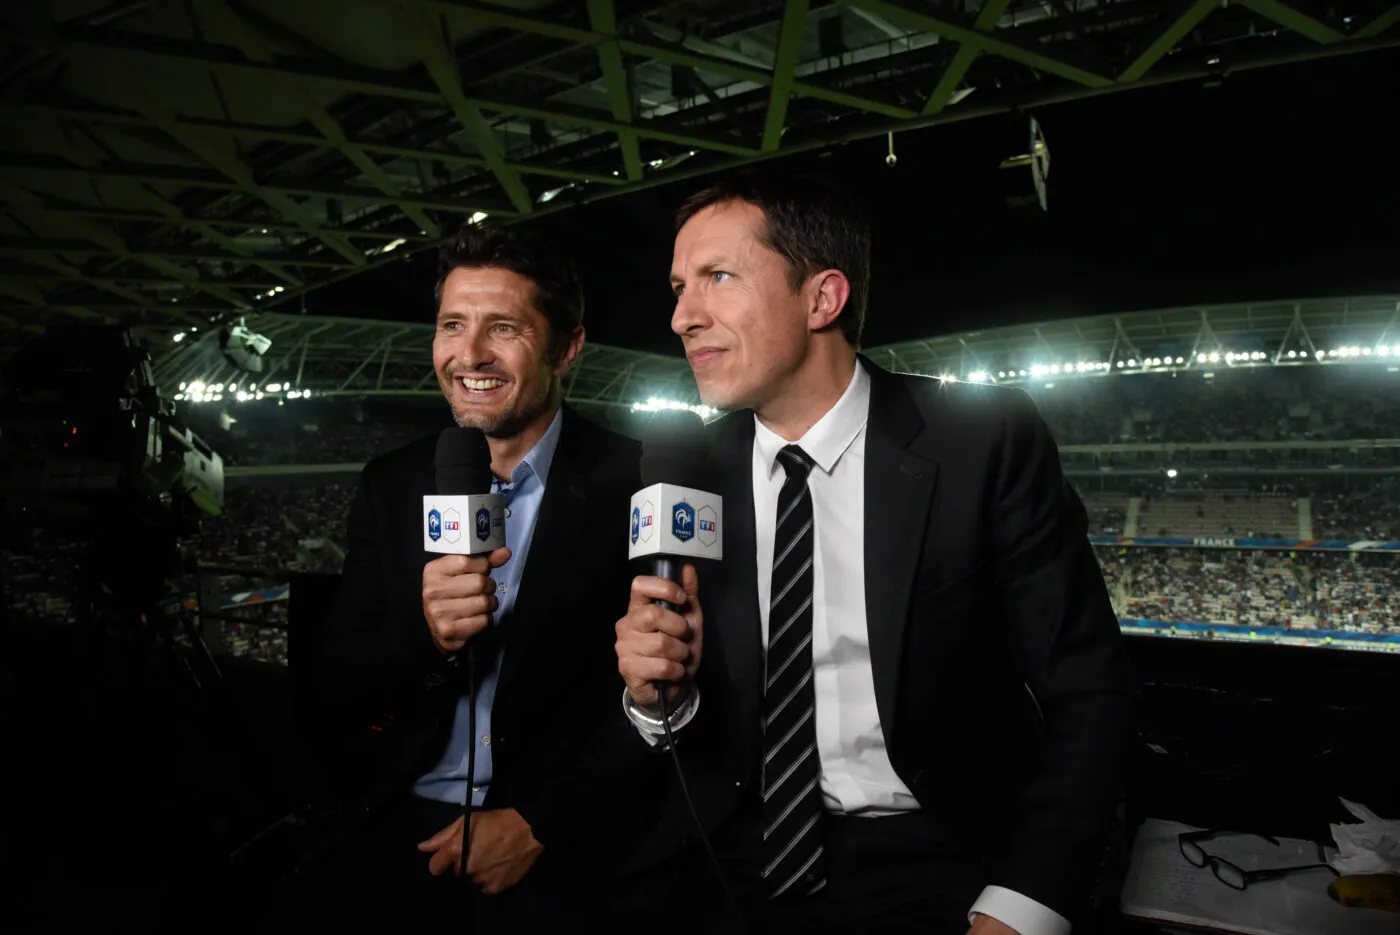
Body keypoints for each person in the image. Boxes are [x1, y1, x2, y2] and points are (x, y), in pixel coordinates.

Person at [613, 170, 1137, 934]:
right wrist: (655, 692)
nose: (681, 316)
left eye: (717, 278)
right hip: (731, 855)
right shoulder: (686, 472)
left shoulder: (980, 443)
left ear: (822, 298)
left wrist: (1026, 903)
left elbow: (1089, 689)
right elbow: (676, 726)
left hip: (942, 855)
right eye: (678, 286)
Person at [268, 225, 644, 931]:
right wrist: (427, 634)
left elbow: (666, 705)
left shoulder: (638, 481)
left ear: (567, 347)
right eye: (452, 325)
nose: (469, 356)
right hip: (401, 819)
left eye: (503, 328)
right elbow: (333, 680)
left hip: (558, 835)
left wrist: (540, 821)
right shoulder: (393, 482)